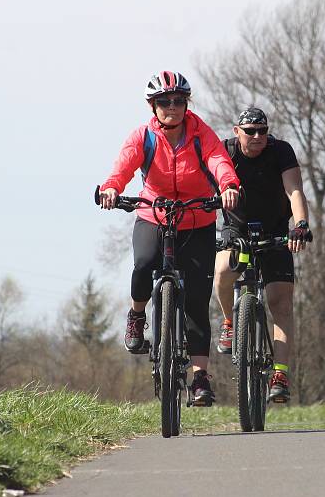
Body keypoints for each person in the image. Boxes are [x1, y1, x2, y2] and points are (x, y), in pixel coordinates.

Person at [98, 71, 239, 407]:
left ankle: (199, 377)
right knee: (145, 263)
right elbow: (123, 166)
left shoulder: (200, 133)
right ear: (153, 106)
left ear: (186, 104)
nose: (172, 107)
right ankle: (136, 316)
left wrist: (229, 186)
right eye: (164, 101)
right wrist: (112, 188)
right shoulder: (143, 136)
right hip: (153, 213)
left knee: (196, 300)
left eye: (178, 100)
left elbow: (218, 160)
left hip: (197, 217)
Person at [213, 108, 311, 404]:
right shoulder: (224, 151)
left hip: (276, 231)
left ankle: (279, 374)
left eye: (262, 131)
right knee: (222, 272)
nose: (257, 137)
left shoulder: (280, 150)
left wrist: (301, 225)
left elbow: (294, 191)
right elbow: (208, 186)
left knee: (280, 301)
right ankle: (230, 322)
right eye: (250, 131)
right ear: (236, 131)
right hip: (236, 229)